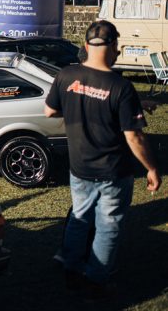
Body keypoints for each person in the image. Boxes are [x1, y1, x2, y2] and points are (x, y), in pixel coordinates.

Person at [44, 20, 160, 299]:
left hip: (79, 168)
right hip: (112, 172)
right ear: (115, 48)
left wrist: (79, 110)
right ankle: (97, 279)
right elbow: (134, 137)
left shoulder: (66, 75)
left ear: (86, 46)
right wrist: (152, 168)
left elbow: (50, 111)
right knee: (108, 226)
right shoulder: (120, 86)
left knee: (79, 219)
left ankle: (71, 268)